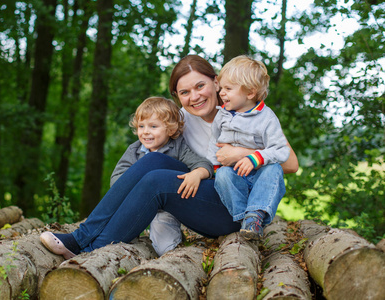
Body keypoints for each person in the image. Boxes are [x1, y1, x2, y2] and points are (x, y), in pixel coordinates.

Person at [39, 54, 299, 259]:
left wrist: (242, 153)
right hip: (205, 195)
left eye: (200, 86)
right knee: (151, 161)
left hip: (236, 207)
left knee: (157, 183)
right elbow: (145, 143)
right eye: (184, 92)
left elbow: (290, 163)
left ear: (216, 82)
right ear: (177, 97)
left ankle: (91, 249)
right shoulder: (181, 120)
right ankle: (81, 237)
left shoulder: (246, 113)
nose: (194, 97)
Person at [41, 96, 213, 258]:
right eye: (141, 126)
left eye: (153, 126)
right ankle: (83, 246)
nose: (146, 132)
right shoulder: (135, 150)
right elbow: (118, 181)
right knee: (119, 210)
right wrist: (136, 190)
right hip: (142, 205)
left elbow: (203, 164)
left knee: (165, 248)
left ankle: (83, 244)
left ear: (171, 128)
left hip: (169, 207)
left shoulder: (178, 147)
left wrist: (197, 173)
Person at [207, 55, 290, 240]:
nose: (221, 93)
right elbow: (214, 143)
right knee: (222, 175)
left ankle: (255, 216)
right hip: (235, 175)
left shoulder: (267, 118)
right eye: (221, 88)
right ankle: (243, 220)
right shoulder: (222, 116)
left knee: (274, 170)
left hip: (260, 175)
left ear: (250, 93)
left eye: (228, 89)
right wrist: (214, 165)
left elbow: (282, 151)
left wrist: (255, 158)